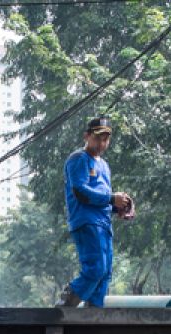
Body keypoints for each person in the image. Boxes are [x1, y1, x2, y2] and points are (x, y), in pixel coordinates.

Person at [58, 117, 134, 307]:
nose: (102, 143)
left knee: (106, 272)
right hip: (86, 221)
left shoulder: (104, 165)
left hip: (103, 223)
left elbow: (104, 198)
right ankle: (68, 301)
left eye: (106, 139)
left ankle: (92, 313)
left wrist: (120, 207)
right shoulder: (78, 159)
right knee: (96, 268)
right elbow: (81, 192)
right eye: (98, 138)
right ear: (87, 136)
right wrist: (110, 198)